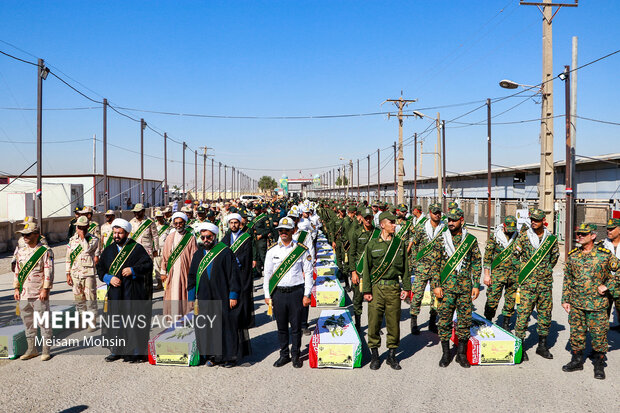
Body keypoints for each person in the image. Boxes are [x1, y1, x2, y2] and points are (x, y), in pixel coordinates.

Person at [561, 223, 620, 379]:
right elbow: (567, 279)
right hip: (577, 304)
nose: (579, 236)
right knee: (577, 334)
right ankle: (577, 360)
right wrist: (565, 299)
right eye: (578, 233)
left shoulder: (605, 255)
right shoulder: (573, 255)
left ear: (593, 236)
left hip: (597, 304)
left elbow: (618, 273)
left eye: (583, 234)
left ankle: (599, 365)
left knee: (599, 336)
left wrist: (607, 286)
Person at [188, 223, 244, 367]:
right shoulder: (198, 254)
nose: (206, 239)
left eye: (208, 237)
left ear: (214, 236)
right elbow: (192, 277)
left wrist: (233, 295)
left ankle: (229, 357)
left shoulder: (225, 252)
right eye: (203, 237)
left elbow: (234, 275)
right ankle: (212, 356)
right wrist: (191, 298)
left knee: (225, 326)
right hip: (204, 297)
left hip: (222, 295)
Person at [97, 218, 153, 363]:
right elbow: (100, 268)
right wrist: (109, 278)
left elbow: (148, 265)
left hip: (132, 291)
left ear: (127, 233)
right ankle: (116, 351)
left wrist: (133, 270)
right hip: (115, 293)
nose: (116, 236)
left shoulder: (136, 248)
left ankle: (135, 352)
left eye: (120, 233)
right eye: (115, 233)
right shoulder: (108, 250)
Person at [432, 207, 481, 368]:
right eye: (449, 220)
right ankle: (446, 353)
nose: (450, 223)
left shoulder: (470, 240)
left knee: (464, 321)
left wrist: (476, 284)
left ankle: (461, 354)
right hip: (446, 289)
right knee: (444, 321)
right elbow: (435, 264)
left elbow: (476, 262)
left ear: (462, 220)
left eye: (454, 220)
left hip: (465, 288)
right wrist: (436, 285)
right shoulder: (441, 239)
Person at [362, 211, 411, 370]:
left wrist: (407, 288)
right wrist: (367, 290)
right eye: (392, 223)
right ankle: (375, 355)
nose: (395, 225)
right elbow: (367, 269)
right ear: (382, 225)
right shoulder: (372, 244)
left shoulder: (399, 244)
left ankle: (391, 355)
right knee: (374, 322)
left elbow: (405, 268)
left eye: (395, 223)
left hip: (393, 288)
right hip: (376, 288)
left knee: (393, 324)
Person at [263, 217, 313, 368]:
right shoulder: (272, 250)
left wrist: (307, 294)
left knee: (296, 327)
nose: (283, 233)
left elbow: (309, 272)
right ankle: (284, 354)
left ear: (292, 230)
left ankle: (295, 355)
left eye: (286, 230)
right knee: (282, 327)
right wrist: (266, 294)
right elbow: (268, 273)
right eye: (280, 230)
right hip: (278, 293)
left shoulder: (301, 250)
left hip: (296, 292)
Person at [512, 208, 559, 361]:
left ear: (543, 221)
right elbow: (515, 257)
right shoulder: (524, 237)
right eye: (532, 219)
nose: (533, 222)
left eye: (537, 220)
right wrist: (523, 273)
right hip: (527, 284)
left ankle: (542, 346)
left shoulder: (551, 239)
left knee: (545, 314)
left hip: (545, 284)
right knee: (523, 315)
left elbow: (554, 258)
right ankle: (520, 346)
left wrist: (543, 271)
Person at [13, 222, 54, 361]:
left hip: (39, 293)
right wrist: (16, 288)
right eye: (23, 234)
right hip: (24, 293)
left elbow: (48, 270)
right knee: (28, 322)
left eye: (28, 234)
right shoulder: (20, 251)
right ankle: (32, 349)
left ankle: (45, 350)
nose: (24, 237)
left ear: (36, 235)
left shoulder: (44, 251)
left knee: (43, 322)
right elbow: (17, 271)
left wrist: (45, 288)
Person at [409, 203, 445, 335]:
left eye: (439, 212)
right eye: (435, 212)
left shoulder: (444, 229)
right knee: (418, 295)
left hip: (438, 269)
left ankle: (432, 321)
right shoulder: (421, 228)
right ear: (429, 213)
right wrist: (415, 263)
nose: (437, 214)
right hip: (422, 267)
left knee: (435, 297)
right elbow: (414, 245)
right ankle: (414, 322)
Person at [483, 215, 519, 330]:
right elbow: (488, 256)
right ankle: (487, 321)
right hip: (497, 274)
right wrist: (487, 274)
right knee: (492, 299)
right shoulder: (495, 236)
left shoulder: (518, 236)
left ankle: (506, 324)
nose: (511, 232)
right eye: (509, 229)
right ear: (504, 226)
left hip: (513, 275)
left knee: (510, 300)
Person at [160, 212, 198, 316]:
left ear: (185, 223)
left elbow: (194, 257)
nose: (178, 225)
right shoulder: (170, 237)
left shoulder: (190, 238)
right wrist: (163, 272)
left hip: (185, 271)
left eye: (180, 223)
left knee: (184, 293)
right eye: (176, 223)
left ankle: (184, 316)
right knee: (171, 293)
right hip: (171, 272)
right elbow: (165, 256)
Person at [65, 216, 99, 332]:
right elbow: (68, 257)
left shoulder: (93, 239)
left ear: (87, 227)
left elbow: (87, 249)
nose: (81, 230)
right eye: (79, 227)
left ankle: (92, 322)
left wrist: (83, 237)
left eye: (83, 228)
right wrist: (67, 272)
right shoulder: (72, 240)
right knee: (79, 299)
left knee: (90, 298)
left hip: (88, 273)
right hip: (75, 273)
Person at [222, 213, 255, 330]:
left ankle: (245, 320)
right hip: (229, 272)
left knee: (243, 294)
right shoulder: (225, 238)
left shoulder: (246, 238)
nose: (234, 225)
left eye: (236, 223)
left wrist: (233, 261)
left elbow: (246, 255)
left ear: (239, 224)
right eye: (231, 223)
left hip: (242, 271)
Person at [350, 207, 379, 335]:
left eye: (370, 218)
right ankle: (358, 324)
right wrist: (353, 272)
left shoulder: (378, 232)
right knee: (357, 298)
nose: (368, 220)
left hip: (373, 271)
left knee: (374, 300)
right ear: (361, 218)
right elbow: (351, 254)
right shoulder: (356, 233)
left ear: (372, 218)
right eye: (365, 218)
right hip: (360, 270)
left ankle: (374, 325)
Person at [601, 217, 620, 330]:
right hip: (606, 285)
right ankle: (599, 344)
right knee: (602, 316)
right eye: (608, 229)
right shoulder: (601, 245)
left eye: (612, 229)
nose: (609, 231)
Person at [153, 209, 171, 291]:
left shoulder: (168, 226)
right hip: (157, 248)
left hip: (165, 248)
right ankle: (159, 283)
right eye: (157, 217)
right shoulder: (154, 226)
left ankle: (166, 283)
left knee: (166, 266)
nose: (159, 219)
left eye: (160, 217)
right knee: (157, 266)